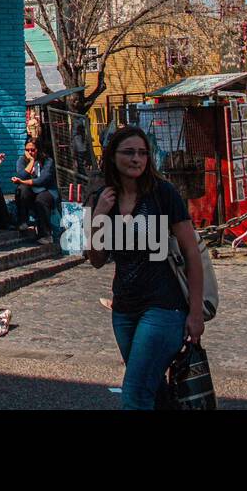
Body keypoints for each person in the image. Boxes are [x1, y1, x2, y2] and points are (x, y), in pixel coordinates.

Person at [87, 125, 206, 410]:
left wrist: (196, 312)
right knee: (152, 390)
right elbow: (97, 258)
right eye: (129, 152)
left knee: (135, 393)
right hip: (125, 310)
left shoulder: (163, 194)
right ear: (112, 156)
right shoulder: (103, 198)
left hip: (163, 307)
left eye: (142, 153)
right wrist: (100, 215)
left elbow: (192, 252)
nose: (136, 159)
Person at [13, 136, 59, 240]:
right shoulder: (21, 160)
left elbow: (42, 180)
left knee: (41, 200)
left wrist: (22, 181)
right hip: (31, 192)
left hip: (46, 190)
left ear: (38, 149)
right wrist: (31, 162)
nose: (30, 152)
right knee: (22, 189)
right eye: (27, 150)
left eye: (32, 150)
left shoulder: (48, 161)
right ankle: (23, 222)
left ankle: (45, 234)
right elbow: (21, 176)